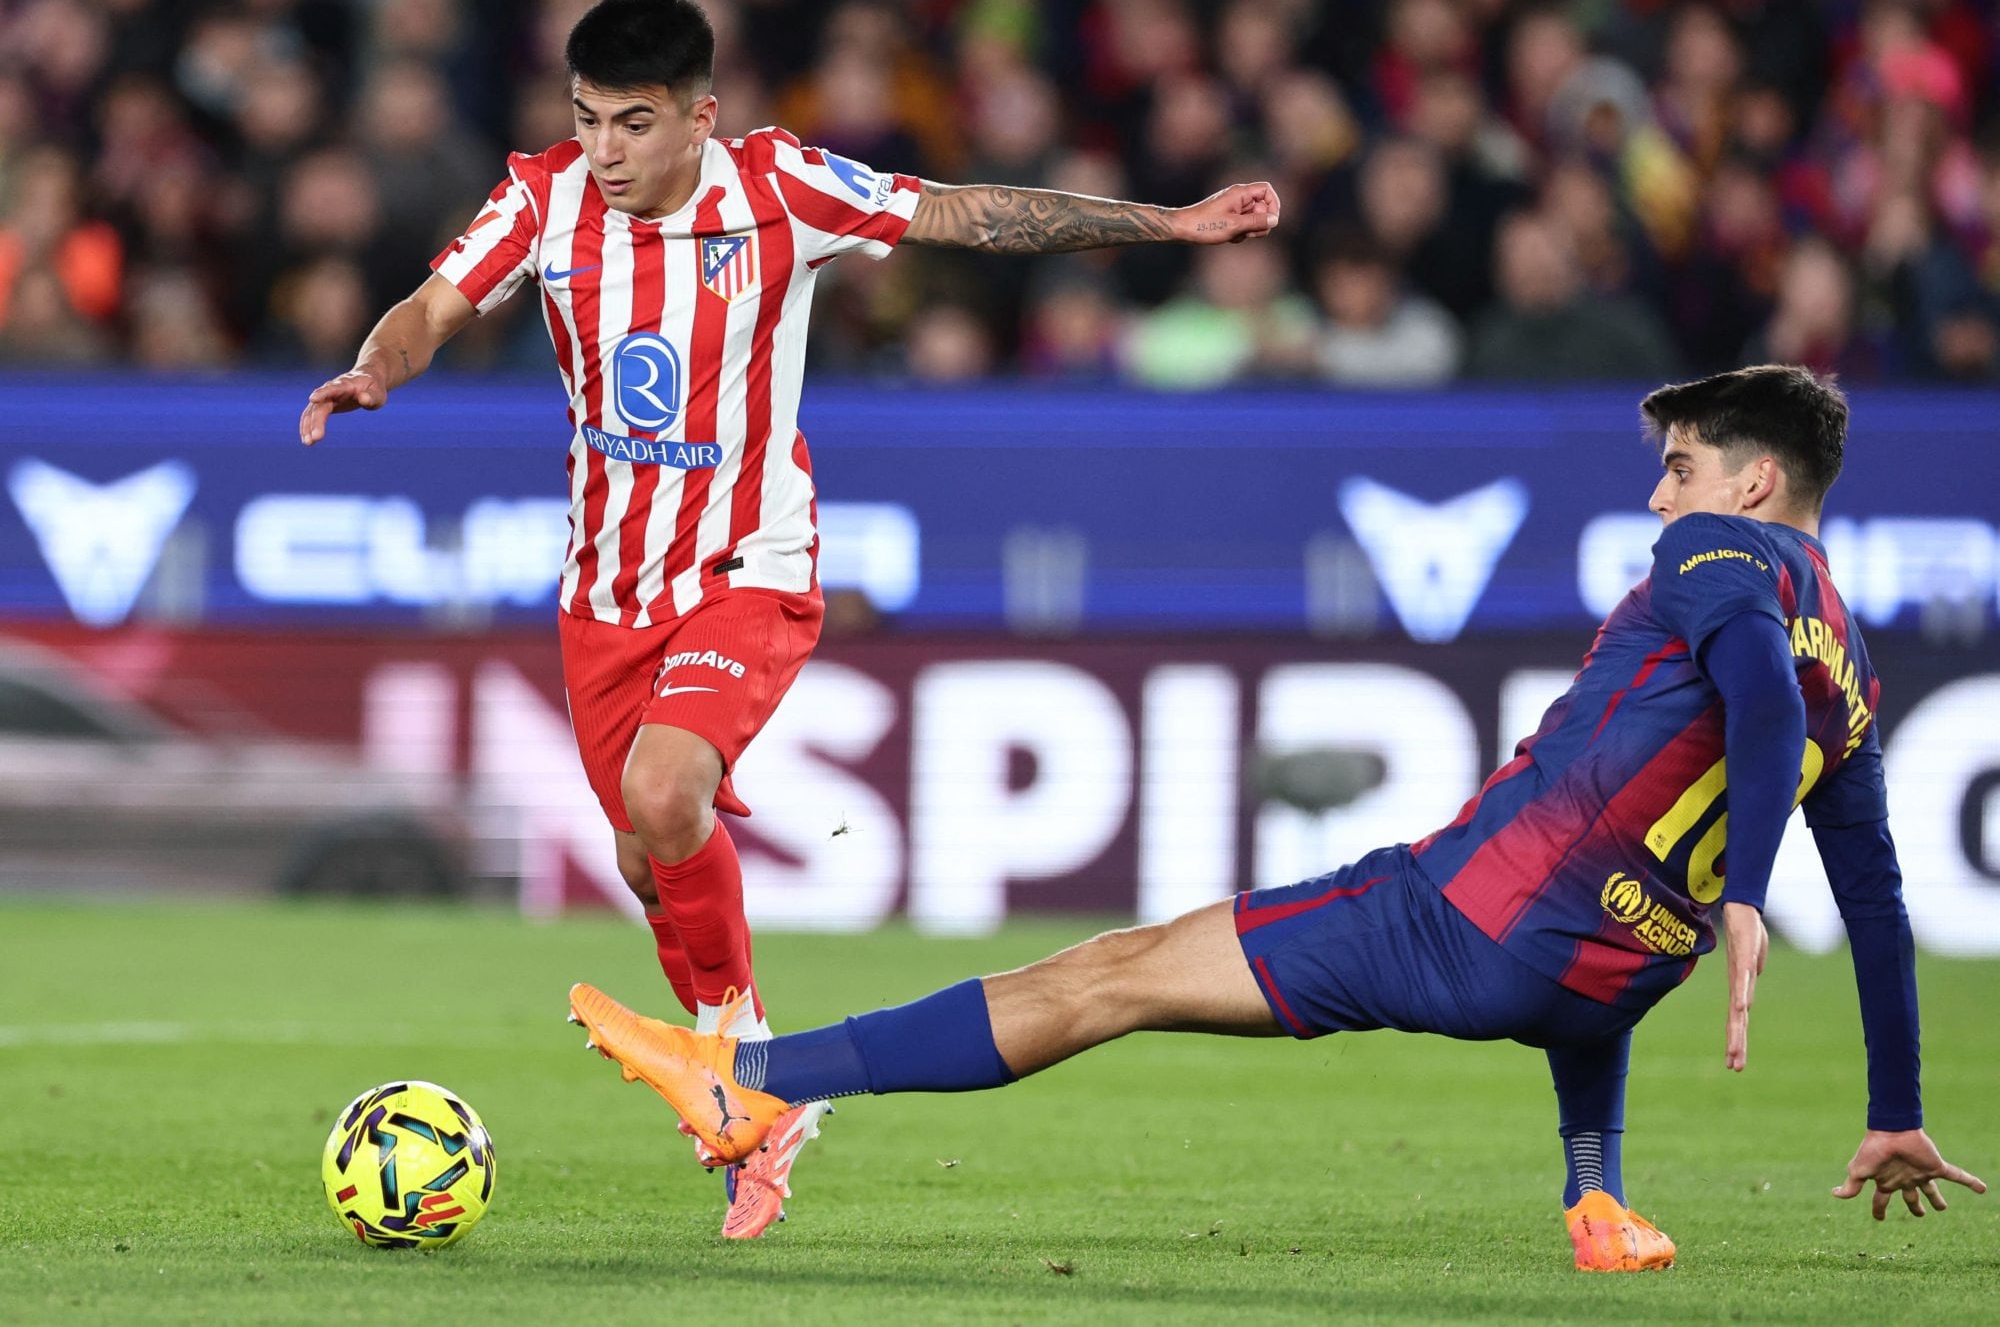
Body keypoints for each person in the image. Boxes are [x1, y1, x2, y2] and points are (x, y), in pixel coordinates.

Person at [566, 365, 1986, 1268]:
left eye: (1679, 466)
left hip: (1458, 923)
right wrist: (1895, 1108)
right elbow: (1876, 895)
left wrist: (1743, 885)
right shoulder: (1854, 665)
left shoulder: (1721, 550)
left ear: (1751, 482)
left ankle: (757, 1077)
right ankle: (1596, 1200)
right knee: (1585, 928)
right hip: (1602, 973)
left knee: (1109, 973)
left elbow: (1757, 695)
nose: (1658, 494)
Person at [298, 0, 1281, 1240]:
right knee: (645, 857)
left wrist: (1168, 223)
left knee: (666, 793)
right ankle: (761, 1089)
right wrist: (375, 367)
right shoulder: (542, 201)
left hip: (747, 567)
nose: (604, 150)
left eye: (633, 123)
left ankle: (738, 1062)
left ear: (699, 116)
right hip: (604, 593)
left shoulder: (780, 187)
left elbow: (966, 212)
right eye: (588, 119)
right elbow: (431, 308)